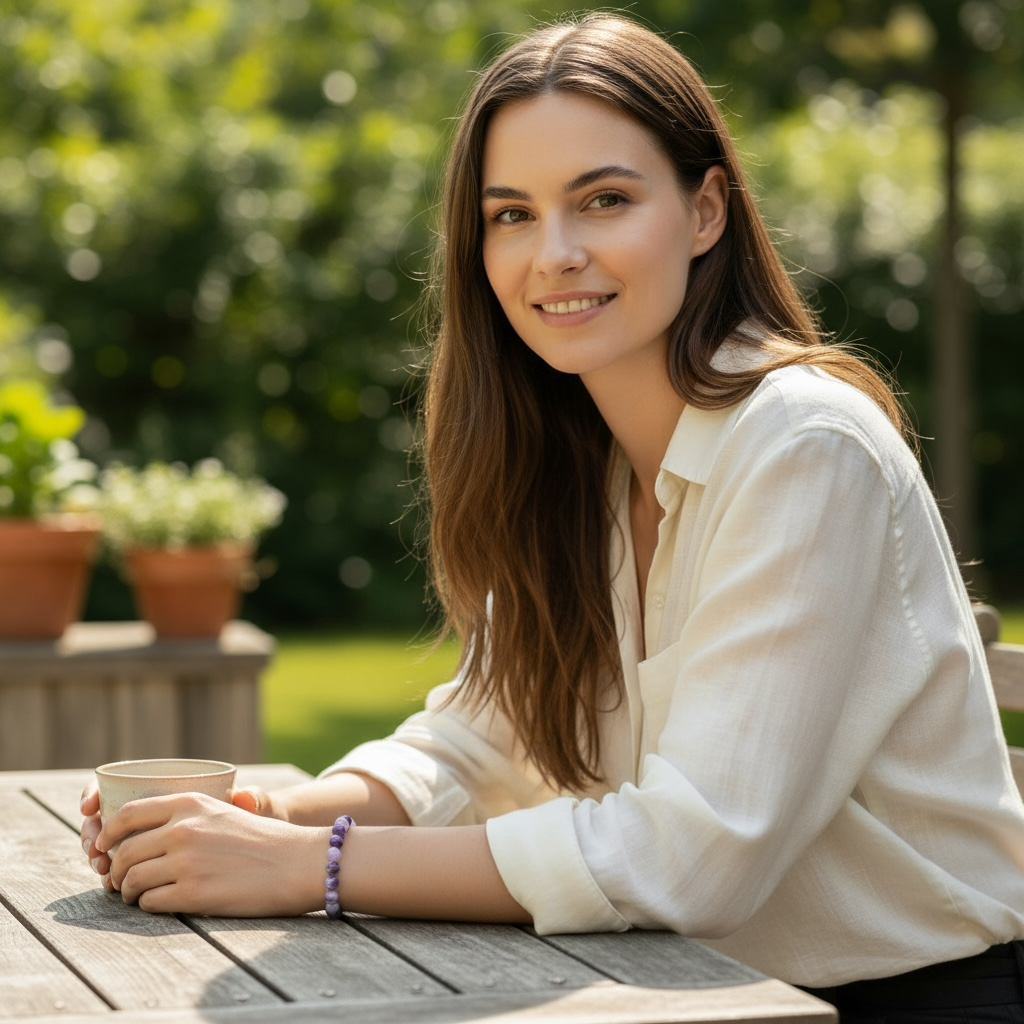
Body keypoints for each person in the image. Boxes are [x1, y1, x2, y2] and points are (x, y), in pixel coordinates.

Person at [81, 13, 1024, 1018]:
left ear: (706, 212)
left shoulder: (804, 446)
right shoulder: (585, 459)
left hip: (912, 1001)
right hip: (690, 991)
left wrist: (311, 864)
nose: (554, 253)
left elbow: (692, 854)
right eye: (512, 214)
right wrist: (251, 815)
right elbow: (473, 746)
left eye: (603, 200)